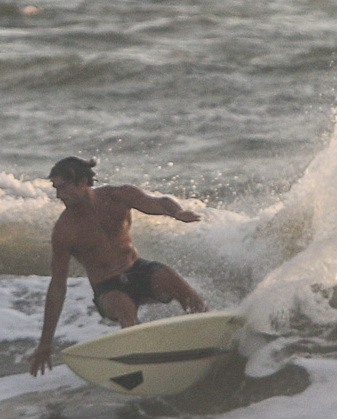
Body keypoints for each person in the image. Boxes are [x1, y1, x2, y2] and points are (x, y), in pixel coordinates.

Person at [29, 156, 206, 377]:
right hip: (108, 287)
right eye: (56, 189)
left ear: (82, 182)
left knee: (171, 278)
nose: (59, 195)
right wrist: (45, 343)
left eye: (63, 187)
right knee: (124, 309)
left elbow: (158, 202)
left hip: (136, 269)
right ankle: (147, 366)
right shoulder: (65, 230)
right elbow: (57, 287)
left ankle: (209, 332)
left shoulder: (117, 197)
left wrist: (177, 213)